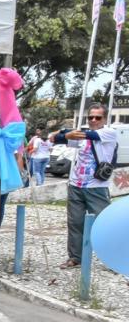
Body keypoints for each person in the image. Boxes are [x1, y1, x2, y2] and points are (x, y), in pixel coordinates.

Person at [51, 102, 117, 269]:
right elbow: (55, 139)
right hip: (76, 185)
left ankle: (116, 258)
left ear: (105, 118)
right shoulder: (80, 137)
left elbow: (89, 135)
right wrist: (65, 135)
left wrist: (66, 133)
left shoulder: (108, 133)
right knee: (75, 223)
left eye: (98, 117)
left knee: (106, 223)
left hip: (96, 187)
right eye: (90, 117)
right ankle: (75, 258)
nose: (94, 120)